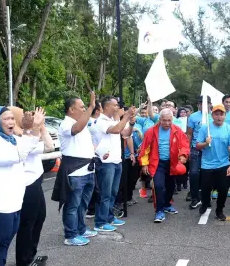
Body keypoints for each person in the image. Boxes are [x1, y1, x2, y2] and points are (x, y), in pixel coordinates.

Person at [0, 106, 44, 265]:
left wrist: (36, 128)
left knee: (1, 251)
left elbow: (31, 146)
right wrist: (30, 129)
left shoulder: (9, 139)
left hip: (12, 207)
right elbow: (16, 156)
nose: (11, 122)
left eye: (12, 118)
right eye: (6, 119)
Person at [53, 93, 99, 246]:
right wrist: (92, 107)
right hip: (75, 172)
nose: (85, 109)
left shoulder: (83, 123)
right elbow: (76, 129)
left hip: (88, 170)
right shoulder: (66, 124)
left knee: (83, 204)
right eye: (82, 107)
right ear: (72, 109)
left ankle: (81, 228)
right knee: (72, 205)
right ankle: (71, 235)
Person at [9, 107, 54, 266]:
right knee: (27, 223)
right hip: (27, 184)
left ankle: (30, 255)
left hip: (36, 182)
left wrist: (41, 126)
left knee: (39, 218)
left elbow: (50, 146)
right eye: (23, 115)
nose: (27, 116)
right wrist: (33, 128)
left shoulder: (28, 135)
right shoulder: (18, 138)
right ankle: (24, 260)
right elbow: (44, 146)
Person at [92, 96, 136, 232]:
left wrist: (131, 122)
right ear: (106, 107)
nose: (118, 107)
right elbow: (116, 130)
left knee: (113, 192)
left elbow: (125, 133)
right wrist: (126, 116)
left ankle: (109, 217)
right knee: (105, 193)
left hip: (117, 161)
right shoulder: (101, 121)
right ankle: (100, 222)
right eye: (115, 105)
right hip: (106, 162)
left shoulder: (113, 120)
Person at [139, 109, 190, 223]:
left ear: (172, 119)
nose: (167, 123)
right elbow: (144, 150)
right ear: (159, 120)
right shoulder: (151, 132)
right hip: (157, 163)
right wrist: (144, 164)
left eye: (169, 120)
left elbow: (185, 145)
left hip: (172, 163)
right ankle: (159, 211)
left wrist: (183, 155)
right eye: (164, 120)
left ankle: (167, 204)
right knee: (158, 186)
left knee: (171, 186)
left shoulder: (177, 130)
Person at [196, 104, 230, 221]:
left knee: (223, 189)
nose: (219, 117)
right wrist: (205, 143)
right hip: (207, 165)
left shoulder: (229, 129)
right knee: (205, 189)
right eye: (216, 114)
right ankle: (204, 204)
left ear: (225, 116)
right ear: (212, 115)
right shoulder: (205, 128)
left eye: (221, 114)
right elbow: (197, 146)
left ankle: (219, 210)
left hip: (223, 164)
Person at [186, 95, 212, 209]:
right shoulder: (193, 117)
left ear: (210, 104)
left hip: (210, 150)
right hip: (196, 149)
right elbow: (189, 133)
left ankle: (206, 197)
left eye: (206, 103)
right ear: (198, 104)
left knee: (207, 174)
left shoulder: (214, 116)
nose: (204, 105)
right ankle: (194, 197)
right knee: (194, 173)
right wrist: (187, 149)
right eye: (201, 103)